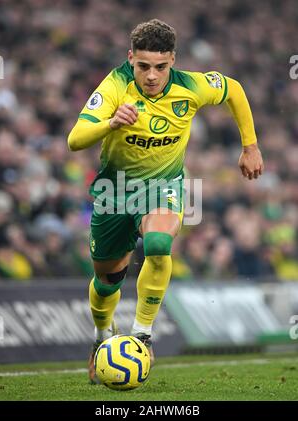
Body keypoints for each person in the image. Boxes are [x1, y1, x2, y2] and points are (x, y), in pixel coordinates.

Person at [67, 19, 264, 383]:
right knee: (108, 282)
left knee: (158, 244)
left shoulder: (191, 86)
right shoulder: (115, 85)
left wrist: (249, 145)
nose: (152, 76)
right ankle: (101, 338)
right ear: (131, 59)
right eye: (143, 66)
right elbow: (75, 139)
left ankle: (142, 333)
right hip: (115, 191)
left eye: (160, 66)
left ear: (172, 60)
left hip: (164, 186)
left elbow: (233, 89)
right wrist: (109, 123)